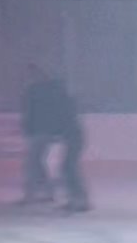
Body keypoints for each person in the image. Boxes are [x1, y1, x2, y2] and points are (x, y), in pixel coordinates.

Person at [20, 65, 90, 211]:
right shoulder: (60, 99)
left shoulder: (55, 100)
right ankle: (77, 198)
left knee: (67, 167)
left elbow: (58, 118)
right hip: (72, 135)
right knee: (67, 167)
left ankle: (80, 199)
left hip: (73, 136)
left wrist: (46, 131)